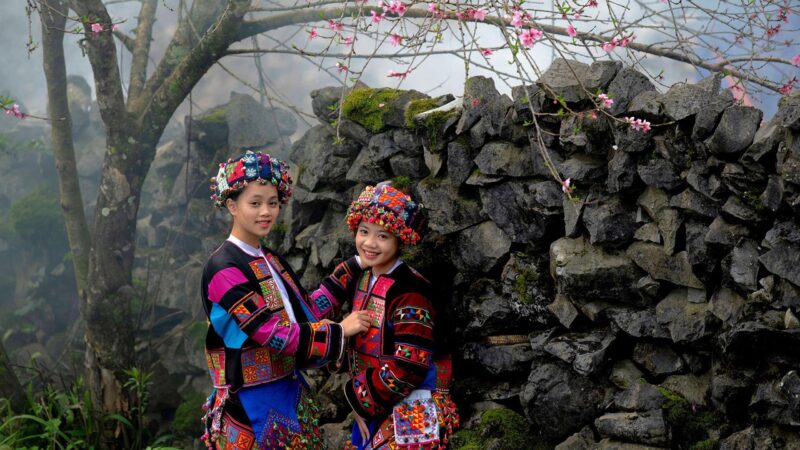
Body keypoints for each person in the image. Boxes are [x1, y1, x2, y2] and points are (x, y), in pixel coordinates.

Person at [199, 151, 370, 450]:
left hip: (289, 393)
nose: (265, 211)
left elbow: (308, 312)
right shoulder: (223, 269)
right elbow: (270, 331)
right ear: (231, 205)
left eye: (273, 203)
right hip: (251, 404)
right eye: (255, 203)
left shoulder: (269, 260)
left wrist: (355, 265)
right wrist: (340, 331)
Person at [316, 183, 459, 449]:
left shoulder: (411, 292)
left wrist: (358, 400)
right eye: (363, 232)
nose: (369, 243)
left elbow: (409, 367)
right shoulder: (363, 278)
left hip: (414, 399)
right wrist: (336, 334)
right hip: (377, 398)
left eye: (382, 236)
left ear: (399, 239)